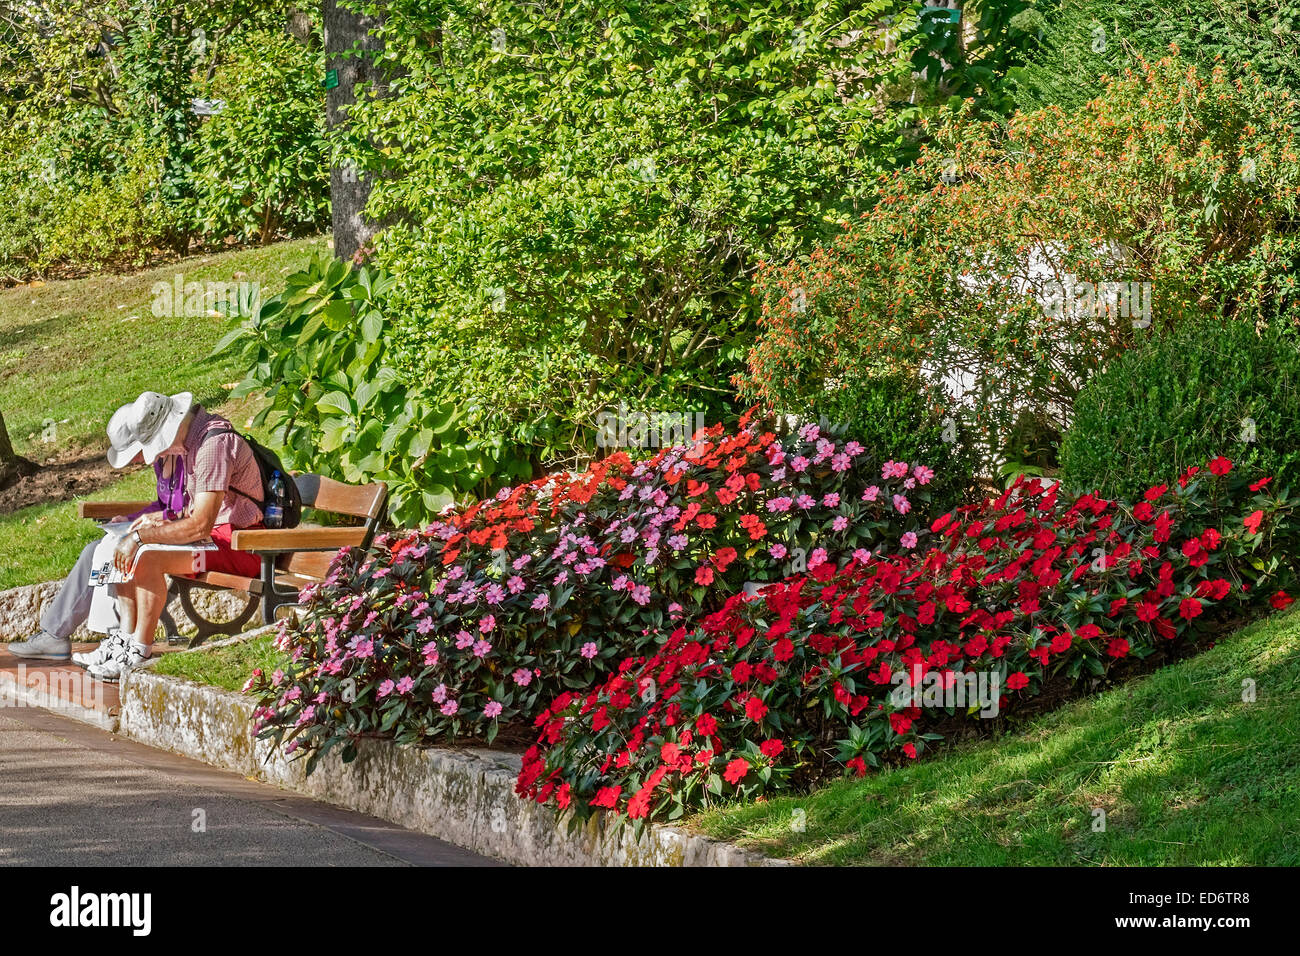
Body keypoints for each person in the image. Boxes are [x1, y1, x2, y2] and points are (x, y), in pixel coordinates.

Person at [19, 391, 266, 680]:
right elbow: (188, 515)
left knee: (146, 558)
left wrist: (140, 538)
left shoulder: (212, 446)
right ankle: (123, 641)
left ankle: (139, 650)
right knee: (122, 550)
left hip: (242, 546)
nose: (158, 455)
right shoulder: (194, 443)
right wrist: (138, 532)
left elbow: (200, 525)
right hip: (217, 540)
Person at [7, 452, 190, 662]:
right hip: (163, 532)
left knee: (117, 552)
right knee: (95, 551)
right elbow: (163, 505)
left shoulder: (186, 455)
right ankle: (55, 635)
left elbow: (185, 511)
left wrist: (154, 522)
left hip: (183, 537)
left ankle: (117, 637)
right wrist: (130, 519)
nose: (135, 461)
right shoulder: (163, 459)